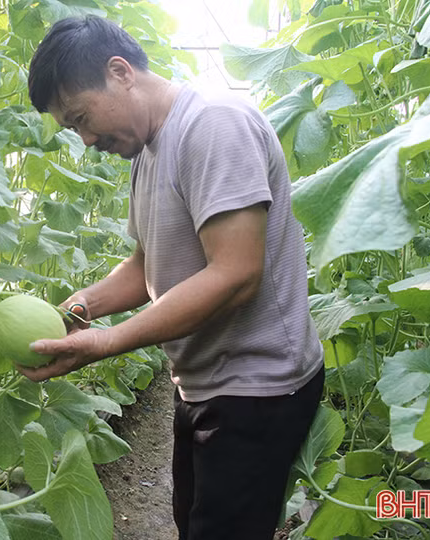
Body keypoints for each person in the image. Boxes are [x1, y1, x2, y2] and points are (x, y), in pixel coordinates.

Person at [21, 15, 325, 540]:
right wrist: (84, 306)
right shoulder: (147, 148)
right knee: (193, 521)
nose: (87, 139)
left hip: (258, 388)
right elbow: (147, 263)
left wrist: (111, 341)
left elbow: (236, 274)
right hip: (205, 386)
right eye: (73, 129)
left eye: (81, 118)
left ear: (120, 73)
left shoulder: (213, 124)